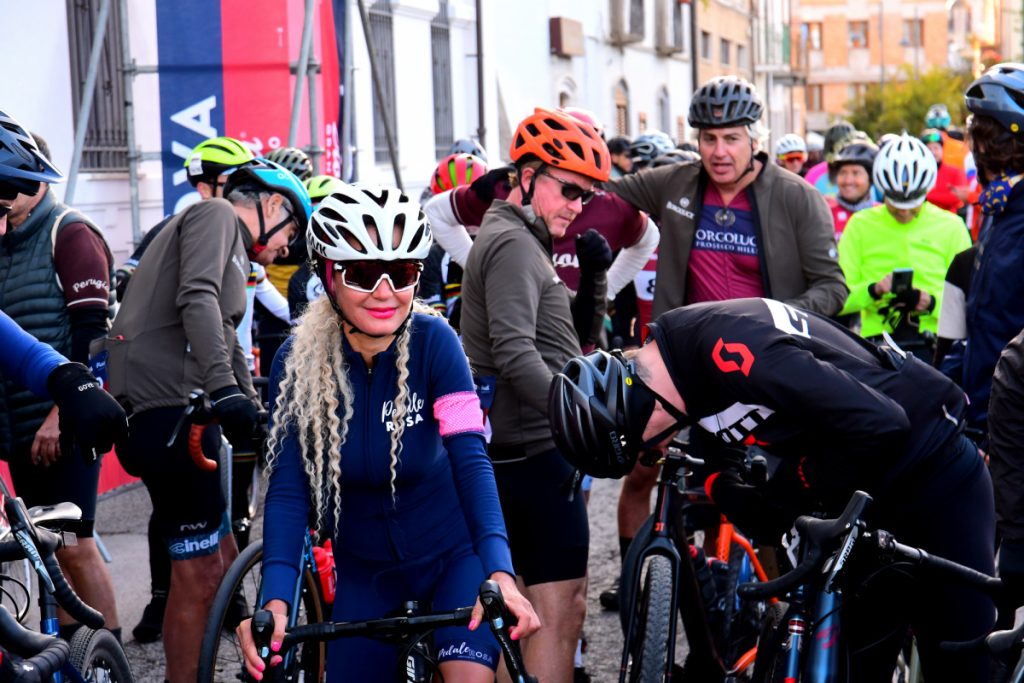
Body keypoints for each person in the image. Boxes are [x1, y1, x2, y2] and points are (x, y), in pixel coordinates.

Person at [550, 297, 995, 681]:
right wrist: (727, 488)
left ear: (643, 411)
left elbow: (883, 424)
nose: (660, 453)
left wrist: (796, 483)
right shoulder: (679, 362)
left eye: (648, 452)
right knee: (850, 665)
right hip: (867, 490)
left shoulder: (727, 346)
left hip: (933, 471)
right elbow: (716, 434)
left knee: (962, 664)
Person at [236, 182, 539, 682]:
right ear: (328, 276)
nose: (384, 292)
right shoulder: (298, 359)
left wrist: (501, 574)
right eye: (361, 273)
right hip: (366, 576)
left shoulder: (436, 342)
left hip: (453, 560)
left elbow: (471, 459)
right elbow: (288, 490)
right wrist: (275, 603)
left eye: (401, 273)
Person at [601, 77, 847, 600]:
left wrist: (773, 320)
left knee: (766, 493)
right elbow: (601, 190)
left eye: (731, 138)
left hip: (762, 368)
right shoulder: (677, 183)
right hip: (685, 365)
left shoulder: (797, 197)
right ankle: (638, 589)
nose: (718, 151)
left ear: (755, 137)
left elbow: (832, 287)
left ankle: (771, 604)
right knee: (646, 471)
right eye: (708, 138)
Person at [104, 158, 310, 683]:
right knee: (198, 574)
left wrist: (251, 405)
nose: (285, 248)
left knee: (220, 560)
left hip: (175, 406)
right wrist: (224, 391)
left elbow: (221, 326)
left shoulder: (229, 244)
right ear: (270, 204)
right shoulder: (217, 215)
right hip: (169, 409)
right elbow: (196, 298)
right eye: (290, 233)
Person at [458, 107, 609, 681]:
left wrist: (595, 278)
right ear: (527, 176)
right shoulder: (514, 244)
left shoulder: (518, 237)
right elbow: (516, 352)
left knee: (520, 617)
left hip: (522, 451)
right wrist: (579, 419)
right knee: (555, 614)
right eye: (569, 190)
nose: (577, 206)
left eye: (586, 196)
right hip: (534, 455)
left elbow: (565, 335)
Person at [0, 122, 122, 641]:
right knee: (46, 549)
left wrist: (62, 411)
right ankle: (76, 653)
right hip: (20, 430)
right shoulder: (11, 238)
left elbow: (96, 337)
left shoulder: (69, 233)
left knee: (73, 543)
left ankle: (107, 655)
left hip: (61, 425)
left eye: (7, 198)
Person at [837, 133, 970, 359]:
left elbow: (968, 301)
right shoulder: (859, 225)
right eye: (896, 205)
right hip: (877, 346)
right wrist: (874, 290)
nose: (904, 212)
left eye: (913, 205)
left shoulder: (952, 227)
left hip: (935, 345)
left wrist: (931, 302)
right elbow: (839, 297)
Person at [960, 63, 1024, 438]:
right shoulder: (999, 209)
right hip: (982, 412)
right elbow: (983, 319)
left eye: (982, 138)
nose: (976, 151)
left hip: (1009, 422)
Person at [828, 139, 879, 241]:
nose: (848, 181)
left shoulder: (883, 214)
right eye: (843, 173)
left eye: (856, 173)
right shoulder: (825, 213)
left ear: (871, 178)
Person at [921, 128, 969, 214]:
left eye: (936, 148)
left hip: (950, 218)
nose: (933, 152)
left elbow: (957, 197)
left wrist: (926, 196)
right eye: (929, 149)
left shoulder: (956, 172)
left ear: (942, 149)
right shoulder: (919, 174)